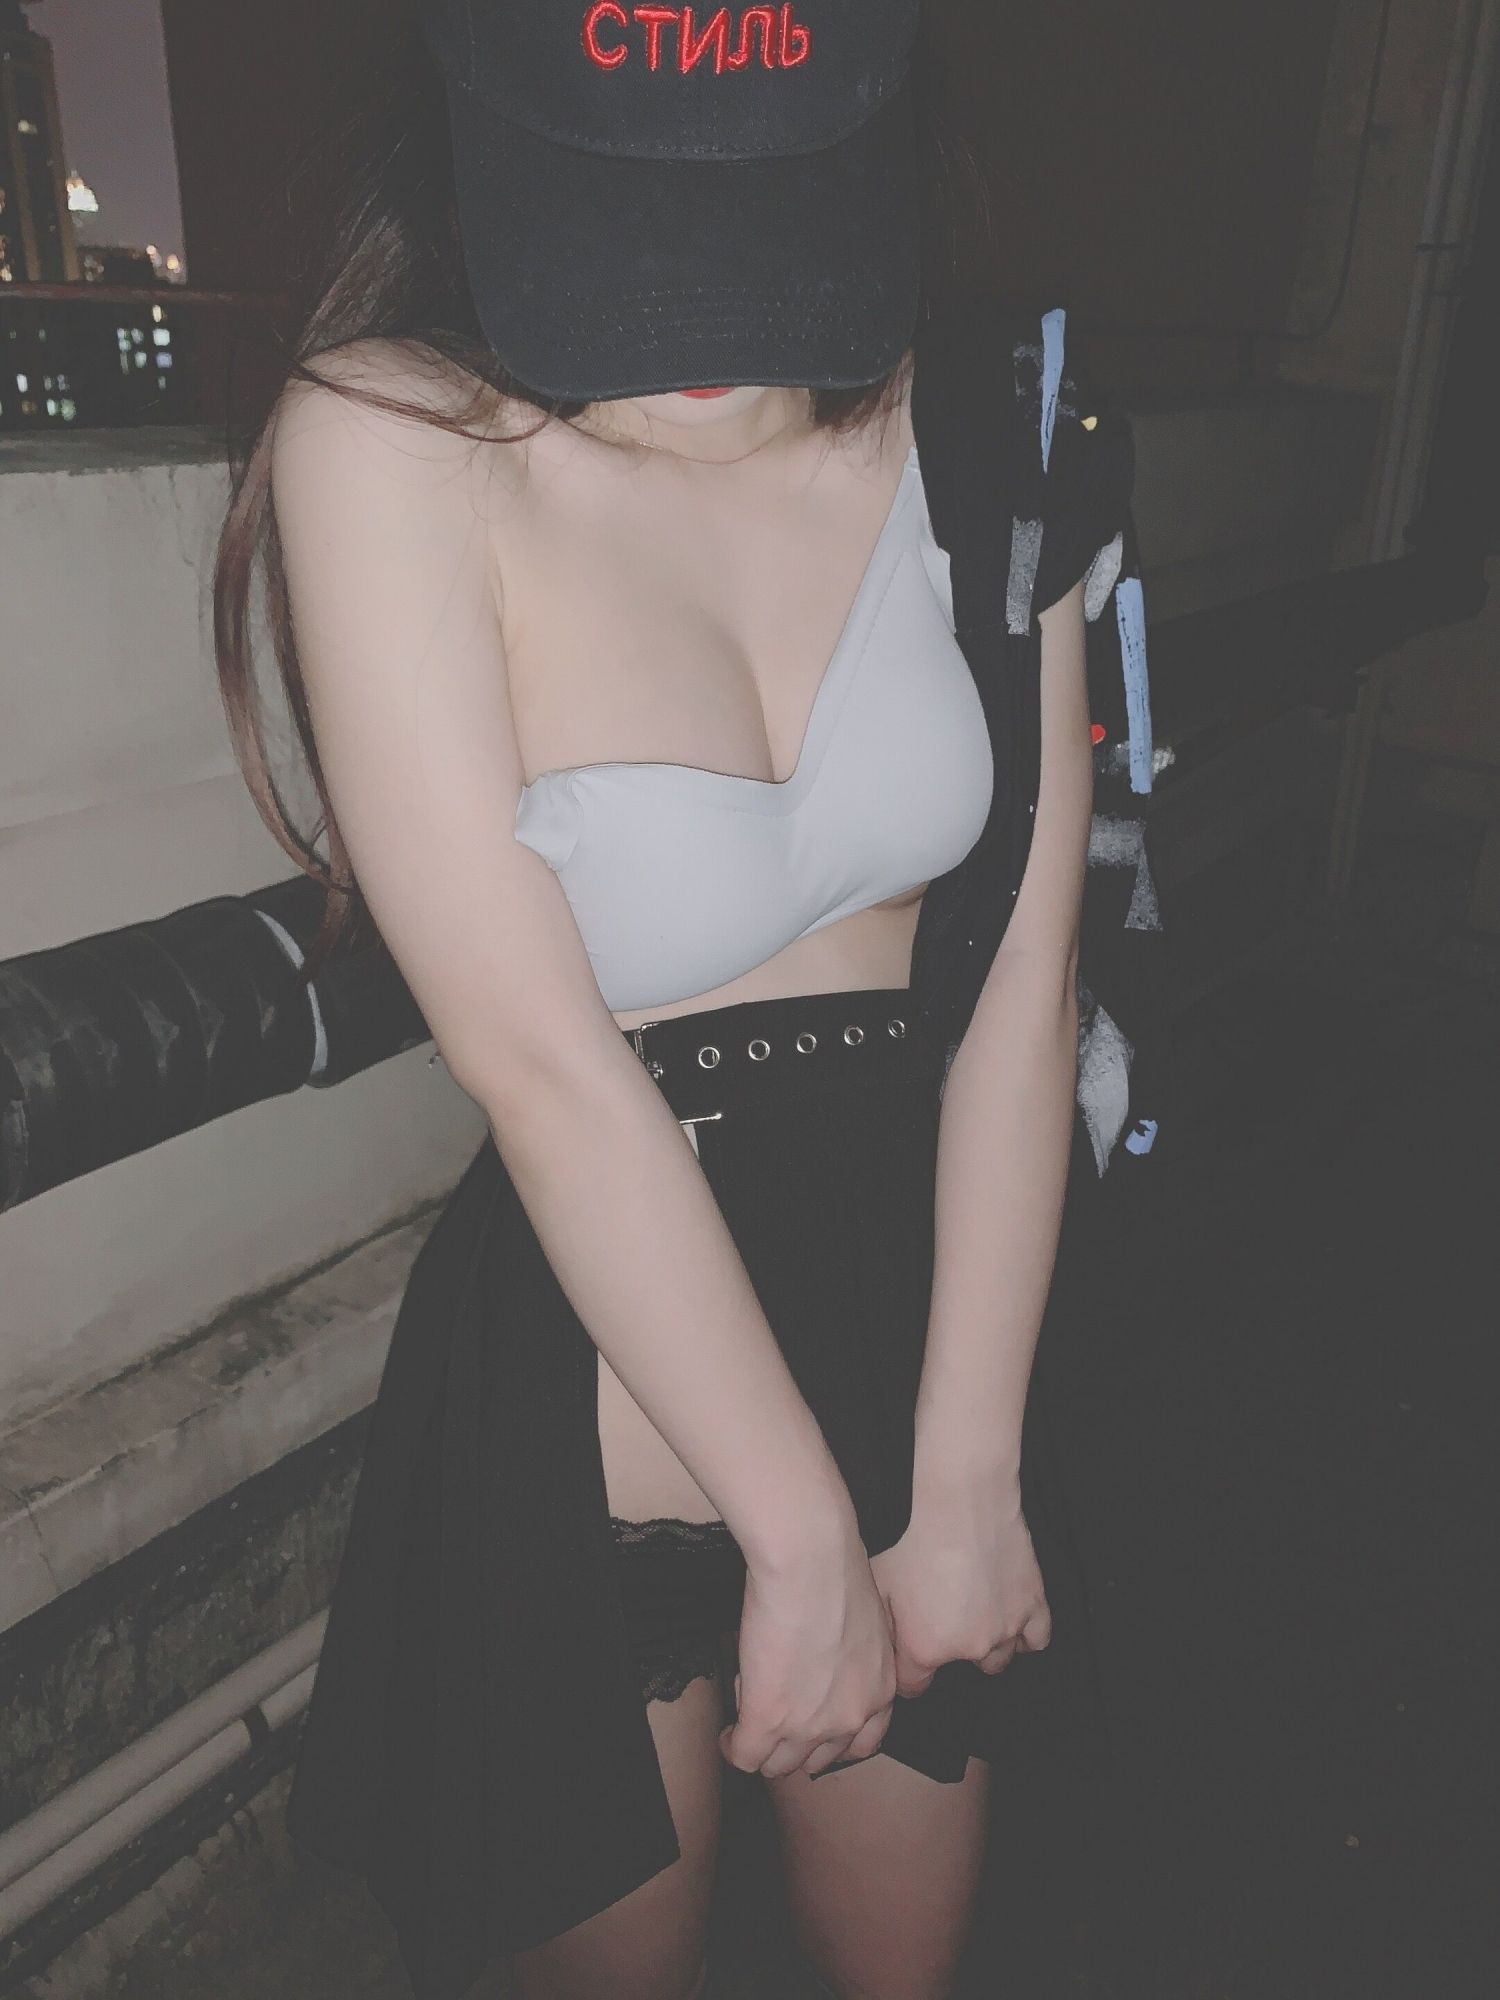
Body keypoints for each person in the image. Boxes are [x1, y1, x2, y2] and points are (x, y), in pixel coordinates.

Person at [212, 5, 1153, 1997]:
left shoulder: (990, 418)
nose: (698, 319)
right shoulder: (392, 435)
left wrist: (966, 1479)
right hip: (598, 1419)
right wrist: (799, 1538)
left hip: (924, 1365)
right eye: (623, 219)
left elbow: (1023, 967)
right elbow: (541, 1063)